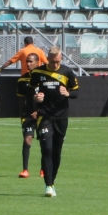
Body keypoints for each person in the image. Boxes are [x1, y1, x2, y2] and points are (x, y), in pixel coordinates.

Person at [29, 46, 79, 197]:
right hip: (44, 116)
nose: (55, 65)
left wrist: (68, 93)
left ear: (61, 59)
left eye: (58, 62)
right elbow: (31, 90)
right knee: (47, 149)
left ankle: (52, 181)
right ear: (47, 59)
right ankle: (48, 186)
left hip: (61, 117)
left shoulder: (67, 72)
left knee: (56, 152)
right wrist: (36, 98)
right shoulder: (38, 72)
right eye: (52, 62)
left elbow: (76, 92)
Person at [16, 53, 41, 178]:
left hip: (43, 115)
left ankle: (44, 168)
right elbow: (21, 101)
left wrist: (40, 111)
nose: (28, 64)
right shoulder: (22, 80)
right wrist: (22, 117)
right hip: (29, 116)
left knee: (44, 142)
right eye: (27, 61)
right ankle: (25, 170)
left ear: (38, 62)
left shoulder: (44, 78)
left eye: (31, 61)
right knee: (27, 139)